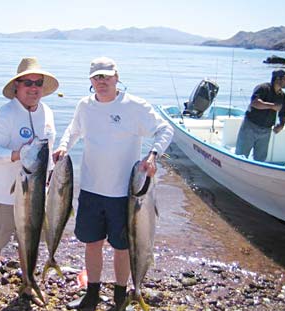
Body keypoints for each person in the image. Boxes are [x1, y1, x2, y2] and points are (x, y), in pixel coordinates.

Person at [53, 56, 173, 311]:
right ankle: (92, 294)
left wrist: (153, 155)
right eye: (97, 77)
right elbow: (73, 131)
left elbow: (166, 130)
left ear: (117, 77)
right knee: (92, 243)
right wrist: (63, 147)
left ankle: (121, 296)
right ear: (90, 81)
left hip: (124, 194)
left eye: (106, 76)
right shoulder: (85, 106)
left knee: (122, 247)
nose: (102, 81)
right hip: (91, 190)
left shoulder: (135, 106)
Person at [0, 57, 59, 306]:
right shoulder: (1, 115)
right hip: (0, 196)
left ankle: (28, 283)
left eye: (38, 83)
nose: (34, 88)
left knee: (30, 242)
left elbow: (48, 151)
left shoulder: (47, 113)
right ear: (16, 87)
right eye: (28, 83)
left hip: (35, 196)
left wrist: (53, 175)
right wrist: (15, 155)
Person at [235, 69, 285, 161]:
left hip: (266, 131)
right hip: (250, 127)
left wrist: (281, 124)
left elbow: (284, 112)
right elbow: (255, 103)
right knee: (241, 156)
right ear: (277, 79)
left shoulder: (282, 96)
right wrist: (272, 106)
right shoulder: (263, 88)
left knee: (260, 159)